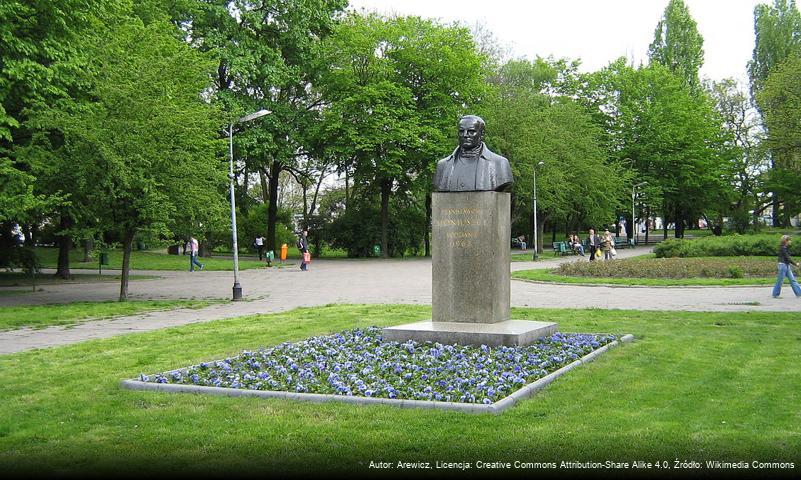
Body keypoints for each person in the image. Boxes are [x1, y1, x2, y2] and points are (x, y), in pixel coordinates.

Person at [433, 115, 514, 192]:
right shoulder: (443, 165)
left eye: (471, 131)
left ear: (482, 134)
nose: (465, 135)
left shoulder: (499, 163)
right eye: (461, 131)